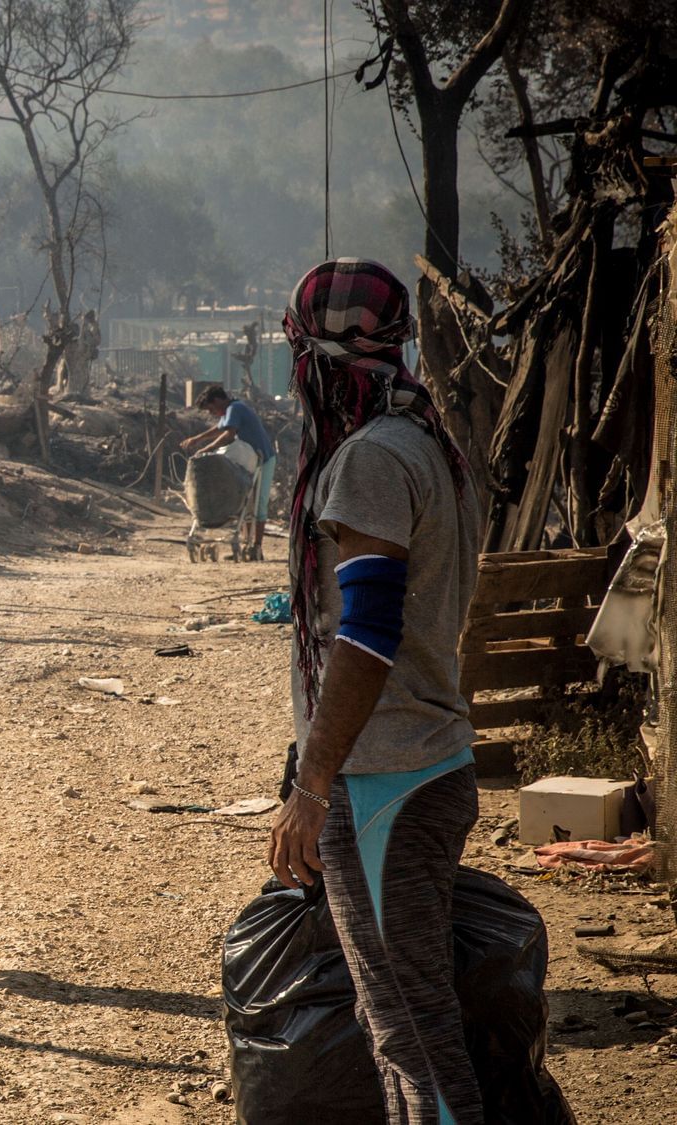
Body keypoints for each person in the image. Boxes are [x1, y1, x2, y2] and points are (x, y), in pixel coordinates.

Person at [264, 259, 484, 1123]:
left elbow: (365, 634)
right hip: (417, 765)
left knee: (414, 1034)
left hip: (387, 779)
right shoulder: (426, 441)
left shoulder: (369, 460)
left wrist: (312, 784)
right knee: (400, 1023)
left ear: (317, 358)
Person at [179, 384, 277, 558]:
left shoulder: (235, 408)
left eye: (211, 409)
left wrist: (206, 448)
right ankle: (246, 543)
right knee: (246, 500)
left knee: (259, 503)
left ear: (218, 400)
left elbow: (229, 434)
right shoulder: (229, 411)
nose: (212, 413)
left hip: (263, 458)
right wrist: (197, 439)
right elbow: (220, 428)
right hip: (248, 458)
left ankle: (257, 547)